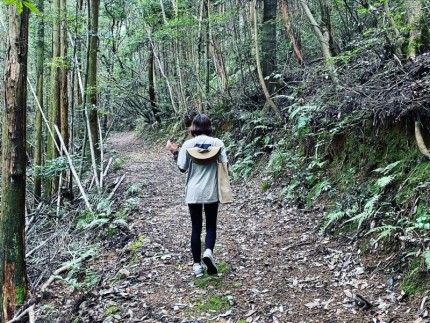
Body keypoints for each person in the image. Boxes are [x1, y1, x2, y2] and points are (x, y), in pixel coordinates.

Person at [166, 114, 228, 277]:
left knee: (196, 228)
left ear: (193, 128)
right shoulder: (218, 143)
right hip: (211, 191)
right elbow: (224, 165)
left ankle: (197, 266)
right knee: (211, 226)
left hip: (193, 192)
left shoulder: (188, 144)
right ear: (209, 127)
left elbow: (182, 168)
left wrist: (174, 152)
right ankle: (208, 251)